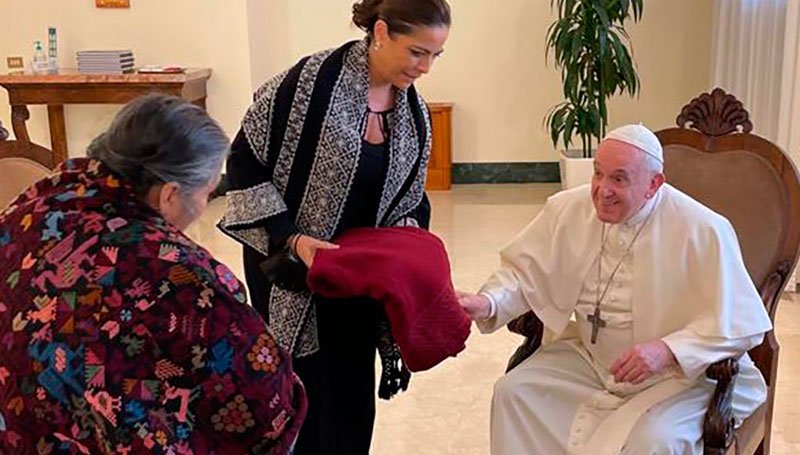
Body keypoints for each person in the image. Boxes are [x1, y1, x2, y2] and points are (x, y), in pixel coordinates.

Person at [0, 95, 306, 454]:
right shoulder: (183, 276)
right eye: (208, 192)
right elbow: (268, 403)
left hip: (17, 424)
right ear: (170, 195)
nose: (205, 205)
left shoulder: (35, 204)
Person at [218, 0, 450, 452]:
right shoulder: (307, 84)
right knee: (300, 391)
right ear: (381, 32)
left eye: (435, 56)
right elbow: (244, 160)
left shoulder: (415, 115)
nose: (425, 67)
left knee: (350, 392)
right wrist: (293, 238)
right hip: (291, 268)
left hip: (355, 278)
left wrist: (402, 249)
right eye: (417, 52)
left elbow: (410, 198)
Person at [457, 124, 772, 454]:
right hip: (591, 362)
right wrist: (488, 302)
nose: (601, 190)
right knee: (514, 394)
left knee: (656, 441)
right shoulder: (568, 209)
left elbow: (742, 328)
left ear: (654, 184)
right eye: (597, 174)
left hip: (678, 378)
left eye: (618, 178)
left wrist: (667, 350)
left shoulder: (703, 229)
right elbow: (526, 274)